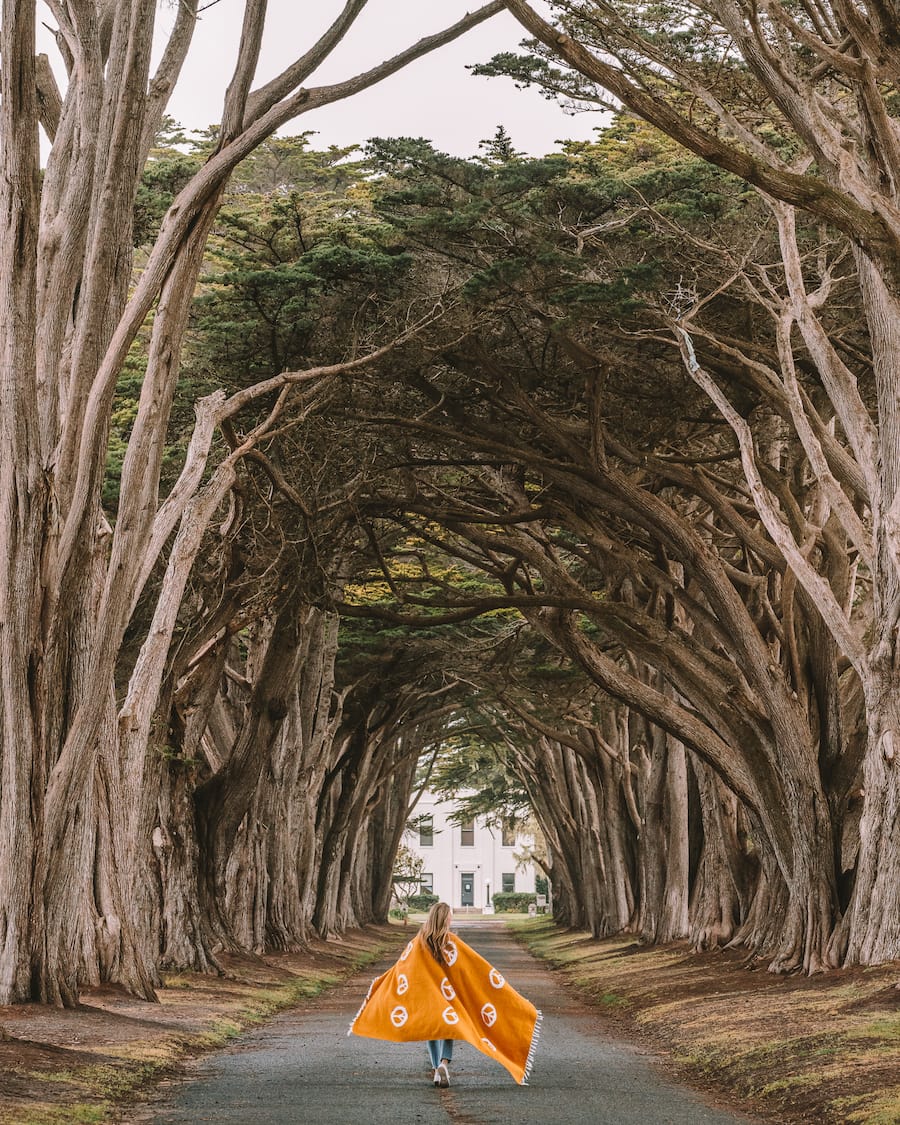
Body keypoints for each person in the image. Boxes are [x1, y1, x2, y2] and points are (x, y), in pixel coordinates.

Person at [349, 900, 542, 1087]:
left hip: (427, 999)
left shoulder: (418, 943)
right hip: (447, 998)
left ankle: (436, 1069)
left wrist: (384, 981)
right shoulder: (451, 943)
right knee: (449, 1028)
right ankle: (443, 1064)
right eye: (449, 918)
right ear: (445, 920)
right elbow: (471, 967)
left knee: (431, 1030)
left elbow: (403, 967)